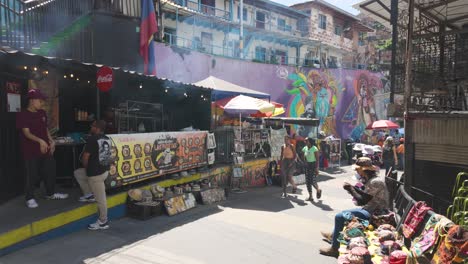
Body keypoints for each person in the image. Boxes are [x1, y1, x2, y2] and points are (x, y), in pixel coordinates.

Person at [319, 157, 389, 257]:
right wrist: (353, 189)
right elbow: (365, 195)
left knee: (339, 216)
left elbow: (362, 200)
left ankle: (334, 248)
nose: (356, 171)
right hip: (369, 208)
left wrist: (351, 189)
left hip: (375, 213)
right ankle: (333, 236)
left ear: (364, 169)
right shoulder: (371, 180)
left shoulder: (375, 182)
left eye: (357, 169)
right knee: (343, 214)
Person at [16, 89, 69, 208]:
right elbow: (26, 133)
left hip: (46, 149)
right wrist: (40, 141)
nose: (42, 103)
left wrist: (51, 140)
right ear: (32, 101)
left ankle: (50, 194)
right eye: (40, 101)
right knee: (32, 175)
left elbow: (45, 129)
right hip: (31, 150)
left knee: (50, 171)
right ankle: (29, 198)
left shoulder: (42, 113)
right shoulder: (22, 114)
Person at [74, 120, 111, 230]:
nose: (91, 127)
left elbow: (85, 157)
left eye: (93, 126)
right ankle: (89, 195)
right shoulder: (107, 139)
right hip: (104, 171)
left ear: (97, 128)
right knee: (78, 173)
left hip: (96, 175)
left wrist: (87, 168)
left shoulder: (92, 139)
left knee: (101, 199)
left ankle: (103, 222)